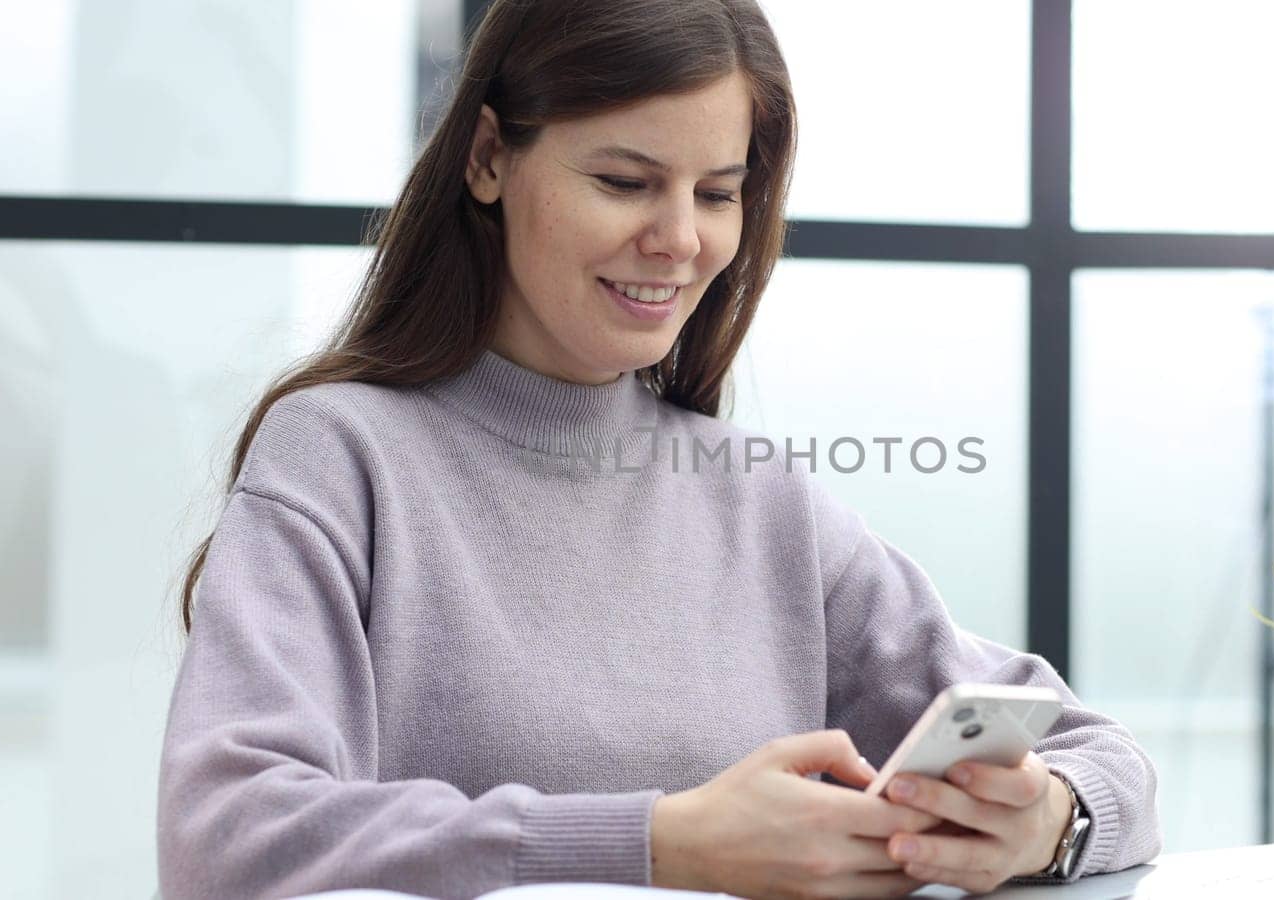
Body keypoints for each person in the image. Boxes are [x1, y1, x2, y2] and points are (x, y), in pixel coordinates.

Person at [156, 0, 1162, 897]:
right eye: (626, 181)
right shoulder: (341, 458)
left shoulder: (758, 500)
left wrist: (1047, 822)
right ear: (488, 157)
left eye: (718, 193)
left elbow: (1095, 753)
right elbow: (228, 838)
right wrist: (656, 843)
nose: (681, 239)